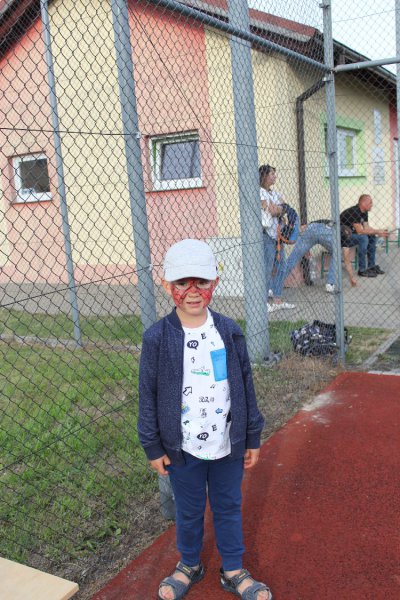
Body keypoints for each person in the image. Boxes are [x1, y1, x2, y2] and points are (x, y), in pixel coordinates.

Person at [138, 239, 272, 600]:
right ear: (166, 285)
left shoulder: (229, 331)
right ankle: (189, 564)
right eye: (182, 283)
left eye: (202, 282)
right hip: (182, 449)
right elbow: (147, 395)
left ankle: (233, 569)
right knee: (189, 509)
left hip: (227, 445)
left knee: (228, 507)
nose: (193, 291)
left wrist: (252, 436)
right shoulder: (157, 338)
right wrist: (152, 445)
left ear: (215, 283)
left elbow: (245, 384)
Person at [259, 164, 295, 313]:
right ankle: (262, 303)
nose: (275, 176)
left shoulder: (274, 193)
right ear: (264, 176)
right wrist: (280, 209)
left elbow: (284, 207)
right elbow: (272, 210)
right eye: (272, 174)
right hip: (267, 235)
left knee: (281, 266)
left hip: (277, 236)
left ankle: (278, 300)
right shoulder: (259, 192)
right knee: (267, 269)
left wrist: (280, 209)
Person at [284, 220, 358, 293]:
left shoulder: (334, 224)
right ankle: (330, 284)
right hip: (328, 235)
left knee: (293, 257)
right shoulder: (347, 239)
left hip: (313, 228)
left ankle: (278, 281)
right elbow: (346, 260)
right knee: (337, 255)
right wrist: (352, 278)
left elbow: (309, 225)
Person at [340, 194, 389, 277]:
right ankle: (362, 270)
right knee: (363, 238)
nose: (372, 205)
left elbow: (367, 228)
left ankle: (371, 266)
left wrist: (379, 231)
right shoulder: (354, 211)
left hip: (352, 234)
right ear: (363, 203)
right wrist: (377, 231)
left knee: (371, 236)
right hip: (343, 237)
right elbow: (360, 231)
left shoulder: (364, 212)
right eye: (370, 202)